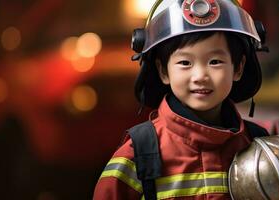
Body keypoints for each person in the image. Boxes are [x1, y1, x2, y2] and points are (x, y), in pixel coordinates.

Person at [93, 0, 268, 199]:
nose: (200, 75)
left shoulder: (260, 148)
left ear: (238, 68)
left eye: (215, 62)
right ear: (163, 71)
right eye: (185, 62)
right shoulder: (138, 154)